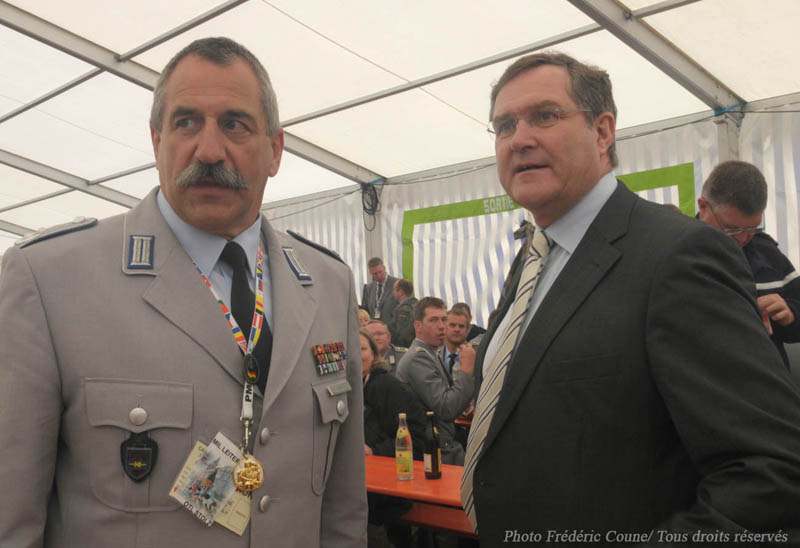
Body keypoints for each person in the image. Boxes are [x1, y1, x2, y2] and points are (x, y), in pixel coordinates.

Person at [0, 37, 366, 547]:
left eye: (235, 124)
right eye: (187, 122)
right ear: (157, 142)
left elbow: (343, 514)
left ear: (275, 150)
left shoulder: (328, 283)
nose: (209, 150)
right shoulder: (49, 280)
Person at [460, 51, 800, 544]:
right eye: (504, 126)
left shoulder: (679, 255)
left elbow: (771, 473)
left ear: (602, 132)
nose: (520, 139)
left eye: (545, 116)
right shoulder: (532, 259)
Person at [697, 160, 800, 369]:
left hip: (769, 382)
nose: (743, 238)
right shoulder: (676, 253)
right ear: (703, 206)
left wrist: (791, 314)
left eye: (752, 228)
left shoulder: (768, 253)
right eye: (731, 229)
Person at [360, 328, 425, 548]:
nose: (356, 355)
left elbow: (415, 435)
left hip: (387, 494)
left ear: (374, 353)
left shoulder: (389, 386)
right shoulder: (344, 389)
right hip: (360, 488)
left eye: (362, 348)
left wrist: (374, 451)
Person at [396, 297, 475, 465]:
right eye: (433, 320)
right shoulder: (418, 358)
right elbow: (446, 408)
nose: (441, 326)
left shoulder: (430, 353)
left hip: (441, 445)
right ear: (418, 326)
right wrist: (467, 371)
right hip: (436, 450)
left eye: (444, 319)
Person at [387, 278, 417, 347]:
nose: (393, 292)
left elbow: (403, 334)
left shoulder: (404, 309)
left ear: (400, 292)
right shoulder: (417, 304)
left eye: (394, 289)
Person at [440, 306, 470, 374]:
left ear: (467, 330)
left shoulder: (474, 356)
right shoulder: (433, 355)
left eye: (461, 326)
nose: (457, 329)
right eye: (452, 325)